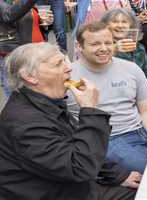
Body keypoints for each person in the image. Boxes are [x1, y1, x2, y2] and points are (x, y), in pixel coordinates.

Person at [0, 42, 139, 200]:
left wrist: (118, 175)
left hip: (72, 185)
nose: (69, 68)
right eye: (58, 64)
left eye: (65, 60)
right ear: (30, 77)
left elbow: (76, 147)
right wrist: (90, 110)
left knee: (144, 187)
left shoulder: (47, 102)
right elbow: (80, 168)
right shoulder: (25, 124)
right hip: (53, 193)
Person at [68, 22, 147, 173]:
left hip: (141, 129)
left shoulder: (130, 68)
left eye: (108, 43)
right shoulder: (68, 76)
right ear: (79, 46)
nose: (104, 48)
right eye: (95, 44)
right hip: (110, 139)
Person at [0, 0, 58, 97]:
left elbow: (29, 26)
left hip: (36, 56)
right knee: (21, 103)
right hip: (14, 58)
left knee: (40, 99)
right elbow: (9, 15)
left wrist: (44, 23)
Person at [101, 8, 147, 90]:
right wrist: (113, 50)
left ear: (131, 25)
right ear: (106, 25)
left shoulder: (139, 48)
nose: (120, 25)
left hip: (138, 94)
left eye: (124, 22)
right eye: (115, 22)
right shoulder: (100, 47)